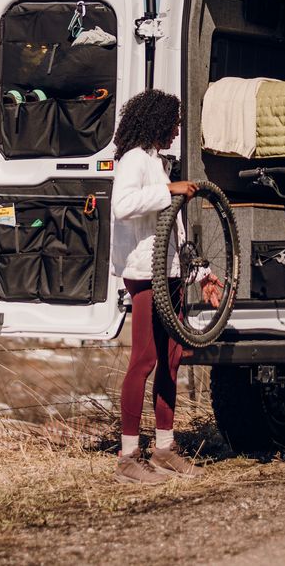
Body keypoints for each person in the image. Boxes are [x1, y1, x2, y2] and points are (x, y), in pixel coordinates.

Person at [111, 89, 221, 485]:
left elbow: (168, 239)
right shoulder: (135, 160)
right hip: (143, 276)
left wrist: (200, 274)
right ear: (156, 121)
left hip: (166, 275)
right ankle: (127, 457)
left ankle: (164, 446)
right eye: (173, 122)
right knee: (143, 359)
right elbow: (123, 205)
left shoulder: (156, 162)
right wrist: (169, 191)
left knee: (171, 359)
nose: (177, 130)